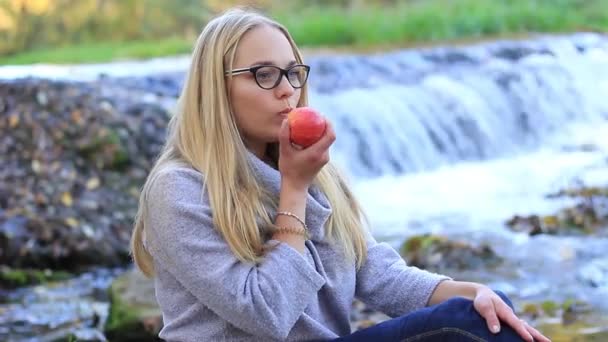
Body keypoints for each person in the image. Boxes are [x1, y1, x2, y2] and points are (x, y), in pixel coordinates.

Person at [130, 7, 551, 342]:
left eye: (292, 72)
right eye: (263, 74)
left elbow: (378, 276)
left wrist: (468, 288)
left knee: (489, 309)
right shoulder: (178, 189)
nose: (286, 89)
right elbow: (267, 314)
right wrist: (294, 190)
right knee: (468, 325)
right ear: (215, 88)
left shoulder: (316, 173)